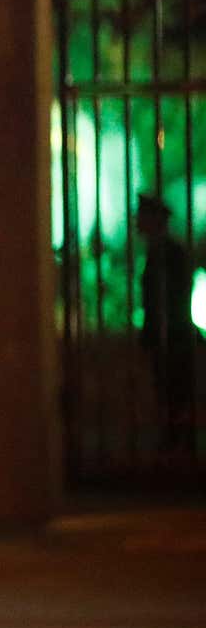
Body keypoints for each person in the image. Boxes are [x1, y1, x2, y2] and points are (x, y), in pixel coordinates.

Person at [136, 194, 199, 455]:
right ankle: (178, 444)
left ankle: (179, 445)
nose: (137, 222)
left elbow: (172, 297)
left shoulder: (168, 253)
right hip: (172, 335)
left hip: (173, 336)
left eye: (141, 217)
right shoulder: (162, 251)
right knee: (172, 394)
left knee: (175, 394)